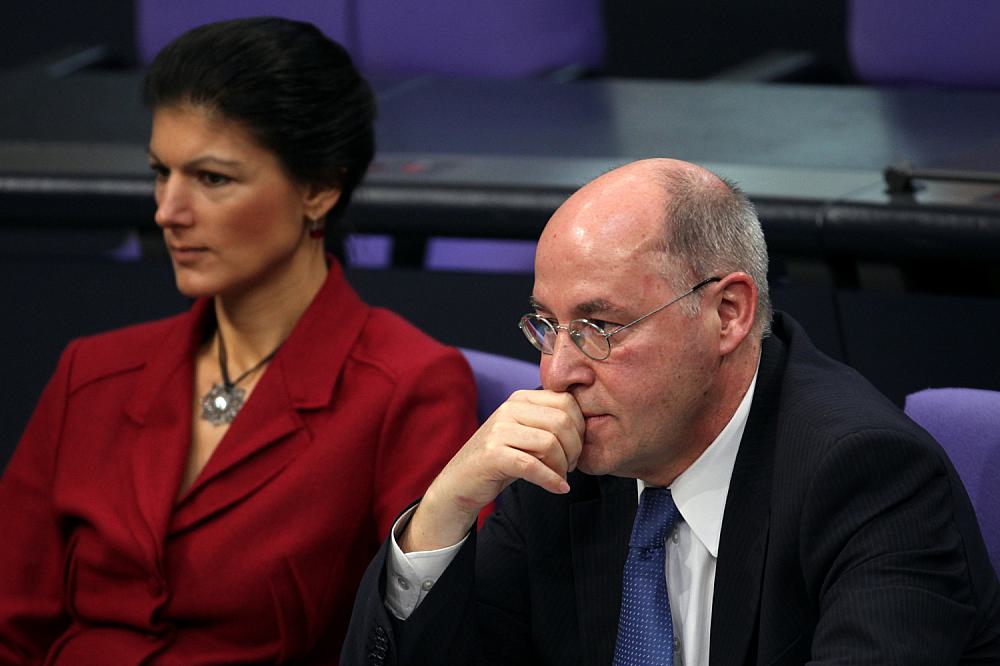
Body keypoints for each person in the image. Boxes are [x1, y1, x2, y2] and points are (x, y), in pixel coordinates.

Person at [342, 158, 1000, 665]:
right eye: (547, 325)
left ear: (727, 314)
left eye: (601, 326)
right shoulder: (564, 468)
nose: (559, 372)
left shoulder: (867, 475)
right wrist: (443, 512)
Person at [0, 17, 478, 664]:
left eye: (212, 179)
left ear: (318, 188)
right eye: (161, 173)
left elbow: (421, 641)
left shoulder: (408, 386)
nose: (168, 211)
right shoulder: (93, 371)